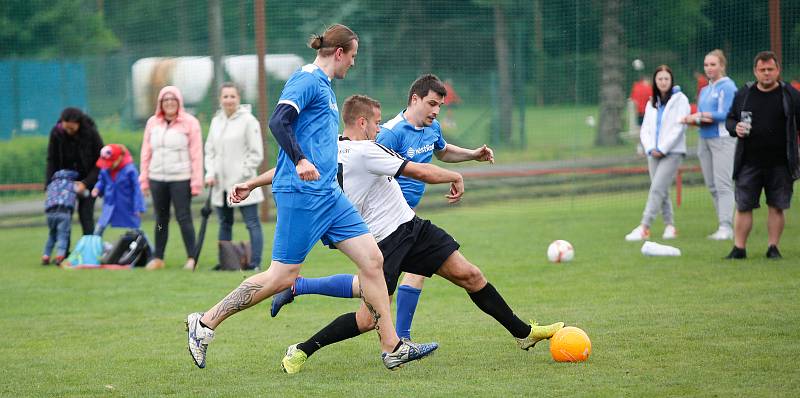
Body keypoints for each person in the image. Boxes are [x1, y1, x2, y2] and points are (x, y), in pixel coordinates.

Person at [229, 94, 564, 374]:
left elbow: (285, 168)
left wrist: (252, 182)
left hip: (412, 228)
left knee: (470, 275)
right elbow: (418, 170)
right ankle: (302, 348)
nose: (379, 128)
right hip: (383, 241)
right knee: (366, 319)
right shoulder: (367, 150)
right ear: (362, 123)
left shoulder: (329, 149)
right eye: (375, 123)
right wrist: (453, 176)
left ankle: (524, 332)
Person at [184, 24, 438, 372]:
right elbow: (278, 122)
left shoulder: (326, 88)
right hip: (302, 194)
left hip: (329, 195)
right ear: (339, 53)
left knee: (373, 260)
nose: (353, 63)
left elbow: (321, 146)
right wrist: (300, 159)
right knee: (281, 276)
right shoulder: (306, 80)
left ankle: (392, 346)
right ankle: (205, 323)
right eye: (353, 56)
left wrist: (257, 181)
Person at [375, 74, 494, 341]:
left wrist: (472, 155)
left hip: (406, 218)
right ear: (414, 99)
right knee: (372, 289)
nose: (436, 111)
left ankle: (403, 339)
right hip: (386, 220)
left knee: (414, 271)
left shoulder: (433, 127)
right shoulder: (391, 133)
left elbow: (441, 152)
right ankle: (297, 286)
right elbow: (369, 174)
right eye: (431, 104)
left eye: (440, 105)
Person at [724, 51, 800, 259]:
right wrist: (735, 128)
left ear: (778, 71)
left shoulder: (791, 95)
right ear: (755, 71)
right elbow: (729, 120)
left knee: (777, 206)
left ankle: (773, 247)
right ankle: (739, 248)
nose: (766, 74)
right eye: (762, 70)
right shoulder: (744, 94)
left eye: (770, 69)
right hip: (749, 161)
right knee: (743, 205)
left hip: (781, 162)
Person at [139, 86, 203, 270]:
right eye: (165, 100)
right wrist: (144, 179)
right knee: (160, 219)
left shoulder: (190, 123)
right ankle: (158, 257)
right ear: (160, 103)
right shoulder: (152, 123)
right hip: (156, 177)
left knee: (184, 217)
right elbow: (146, 152)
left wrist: (196, 181)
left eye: (172, 100)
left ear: (179, 102)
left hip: (181, 178)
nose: (169, 103)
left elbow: (197, 154)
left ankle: (192, 258)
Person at [625, 65, 690, 241]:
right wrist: (650, 148)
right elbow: (645, 128)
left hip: (673, 152)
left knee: (656, 189)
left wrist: (663, 148)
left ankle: (644, 227)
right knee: (661, 190)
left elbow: (679, 127)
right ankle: (670, 226)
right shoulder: (651, 101)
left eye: (666, 79)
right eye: (659, 79)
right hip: (652, 153)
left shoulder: (680, 99)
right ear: (655, 81)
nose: (663, 82)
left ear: (671, 81)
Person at [204, 82, 264, 270]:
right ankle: (227, 263)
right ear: (220, 99)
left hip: (243, 185)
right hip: (220, 184)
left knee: (252, 223)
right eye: (225, 96)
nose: (229, 100)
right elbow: (210, 151)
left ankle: (254, 263)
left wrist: (244, 178)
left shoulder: (249, 121)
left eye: (232, 96)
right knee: (224, 222)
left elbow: (256, 153)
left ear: (239, 98)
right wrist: (211, 173)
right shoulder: (216, 121)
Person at [682, 49, 738, 240]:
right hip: (704, 138)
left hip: (722, 139)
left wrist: (701, 116)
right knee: (712, 185)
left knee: (723, 184)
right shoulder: (705, 89)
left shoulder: (728, 86)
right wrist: (691, 119)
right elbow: (702, 113)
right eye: (706, 65)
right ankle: (723, 224)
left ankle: (727, 226)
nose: (709, 68)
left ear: (722, 65)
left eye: (713, 64)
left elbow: (726, 113)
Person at [45, 107, 104, 238]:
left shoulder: (91, 133)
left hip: (88, 180)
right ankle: (63, 253)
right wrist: (49, 184)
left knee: (86, 215)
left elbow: (101, 160)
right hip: (63, 182)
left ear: (79, 124)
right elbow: (52, 159)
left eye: (71, 129)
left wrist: (86, 182)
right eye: (66, 128)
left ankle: (89, 250)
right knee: (63, 216)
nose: (68, 131)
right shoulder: (56, 133)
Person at [91, 144, 148, 240]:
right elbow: (102, 181)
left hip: (127, 205)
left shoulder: (130, 170)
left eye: (111, 162)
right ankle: (94, 250)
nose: (108, 165)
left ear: (119, 158)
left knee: (137, 230)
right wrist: (97, 188)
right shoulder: (105, 170)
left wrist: (138, 207)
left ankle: (150, 251)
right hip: (109, 205)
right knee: (98, 229)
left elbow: (136, 190)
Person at [42, 169, 80, 265]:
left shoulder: (51, 185)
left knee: (52, 235)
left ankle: (46, 255)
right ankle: (60, 256)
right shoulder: (72, 184)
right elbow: (81, 192)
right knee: (63, 236)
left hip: (50, 214)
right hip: (63, 213)